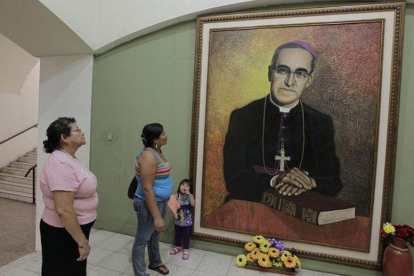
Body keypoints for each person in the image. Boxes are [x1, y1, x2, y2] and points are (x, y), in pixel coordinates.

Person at [223, 40, 342, 203]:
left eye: (300, 73)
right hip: (249, 206)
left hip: (301, 209)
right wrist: (277, 180)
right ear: (270, 73)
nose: (290, 82)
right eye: (283, 70)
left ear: (310, 80)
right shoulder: (243, 117)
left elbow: (333, 182)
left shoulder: (320, 122)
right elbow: (234, 179)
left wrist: (307, 182)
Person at [39, 117, 98, 276]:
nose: (82, 132)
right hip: (63, 232)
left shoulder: (68, 158)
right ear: (64, 137)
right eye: (77, 130)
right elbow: (64, 210)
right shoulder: (60, 163)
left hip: (70, 230)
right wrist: (82, 242)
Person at [132, 123, 172, 276]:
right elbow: (147, 188)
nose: (166, 135)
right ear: (155, 139)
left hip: (159, 201)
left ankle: (155, 262)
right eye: (163, 133)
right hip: (147, 203)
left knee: (154, 234)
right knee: (142, 239)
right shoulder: (148, 156)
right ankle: (140, 274)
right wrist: (156, 217)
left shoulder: (157, 151)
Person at [169, 179, 195, 260]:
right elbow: (171, 203)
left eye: (187, 185)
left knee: (186, 234)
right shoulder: (176, 195)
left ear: (190, 188)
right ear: (179, 186)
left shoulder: (190, 196)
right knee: (177, 233)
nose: (185, 187)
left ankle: (186, 249)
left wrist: (190, 195)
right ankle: (177, 247)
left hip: (187, 221)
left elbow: (193, 204)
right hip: (178, 220)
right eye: (183, 184)